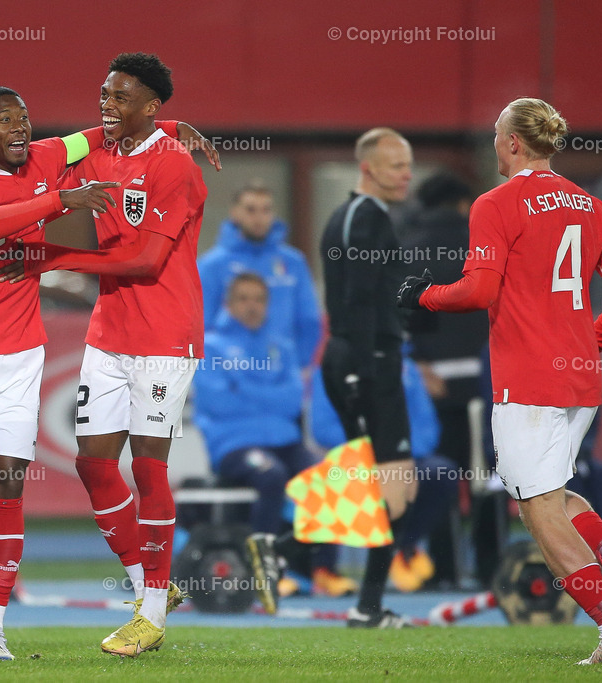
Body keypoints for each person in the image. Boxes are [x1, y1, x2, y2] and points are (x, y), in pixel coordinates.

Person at [0, 90, 217, 661]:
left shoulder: (48, 154)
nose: (19, 128)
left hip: (19, 356)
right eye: (3, 120)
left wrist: (174, 123)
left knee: (9, 485)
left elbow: (110, 130)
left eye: (24, 118)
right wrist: (61, 201)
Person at [398, 97, 602, 664]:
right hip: (579, 376)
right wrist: (594, 339)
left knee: (537, 510)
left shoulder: (496, 202)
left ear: (512, 142)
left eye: (496, 133)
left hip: (529, 379)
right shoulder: (589, 204)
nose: (494, 142)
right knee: (550, 494)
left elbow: (479, 289)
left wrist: (424, 295)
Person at [8, 52, 207, 657]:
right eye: (104, 94)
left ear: (151, 105)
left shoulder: (175, 166)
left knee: (148, 467)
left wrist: (52, 258)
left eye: (121, 97)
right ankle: (150, 586)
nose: (106, 105)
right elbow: (29, 158)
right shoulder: (100, 152)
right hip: (109, 332)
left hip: (164, 334)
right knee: (94, 464)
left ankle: (152, 613)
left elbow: (146, 260)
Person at [194, 272, 355, 613]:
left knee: (330, 474)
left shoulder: (280, 345)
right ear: (228, 303)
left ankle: (324, 570)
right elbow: (218, 403)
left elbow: (293, 400)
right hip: (234, 444)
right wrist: (268, 395)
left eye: (259, 299)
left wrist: (243, 387)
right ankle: (264, 572)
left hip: (283, 439)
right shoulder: (210, 346)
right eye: (243, 299)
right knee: (271, 475)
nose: (252, 306)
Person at [319, 127, 416, 628]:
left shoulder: (353, 215)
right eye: (397, 165)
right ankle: (366, 605)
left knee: (382, 484)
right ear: (367, 167)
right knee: (393, 487)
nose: (406, 174)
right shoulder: (366, 217)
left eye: (408, 165)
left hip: (364, 359)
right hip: (368, 363)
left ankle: (367, 604)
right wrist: (361, 370)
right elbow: (357, 300)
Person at [401, 172, 502, 589]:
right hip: (487, 380)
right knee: (491, 475)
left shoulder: (407, 248)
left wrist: (418, 363)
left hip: (433, 386)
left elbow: (402, 318)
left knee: (441, 476)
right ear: (464, 205)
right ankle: (491, 568)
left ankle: (442, 569)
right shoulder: (484, 244)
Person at [310, 345, 457, 593]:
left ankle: (402, 547)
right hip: (356, 458)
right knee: (328, 478)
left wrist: (400, 452)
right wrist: (374, 450)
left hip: (404, 456)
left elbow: (427, 425)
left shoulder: (406, 367)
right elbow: (323, 428)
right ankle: (324, 569)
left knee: (441, 471)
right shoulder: (331, 367)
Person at [198, 181, 322, 365]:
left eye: (266, 210)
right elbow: (201, 324)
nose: (259, 218)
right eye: (251, 210)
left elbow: (308, 319)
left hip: (283, 369)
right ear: (234, 213)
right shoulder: (211, 265)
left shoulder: (293, 262)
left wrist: (301, 365)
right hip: (229, 370)